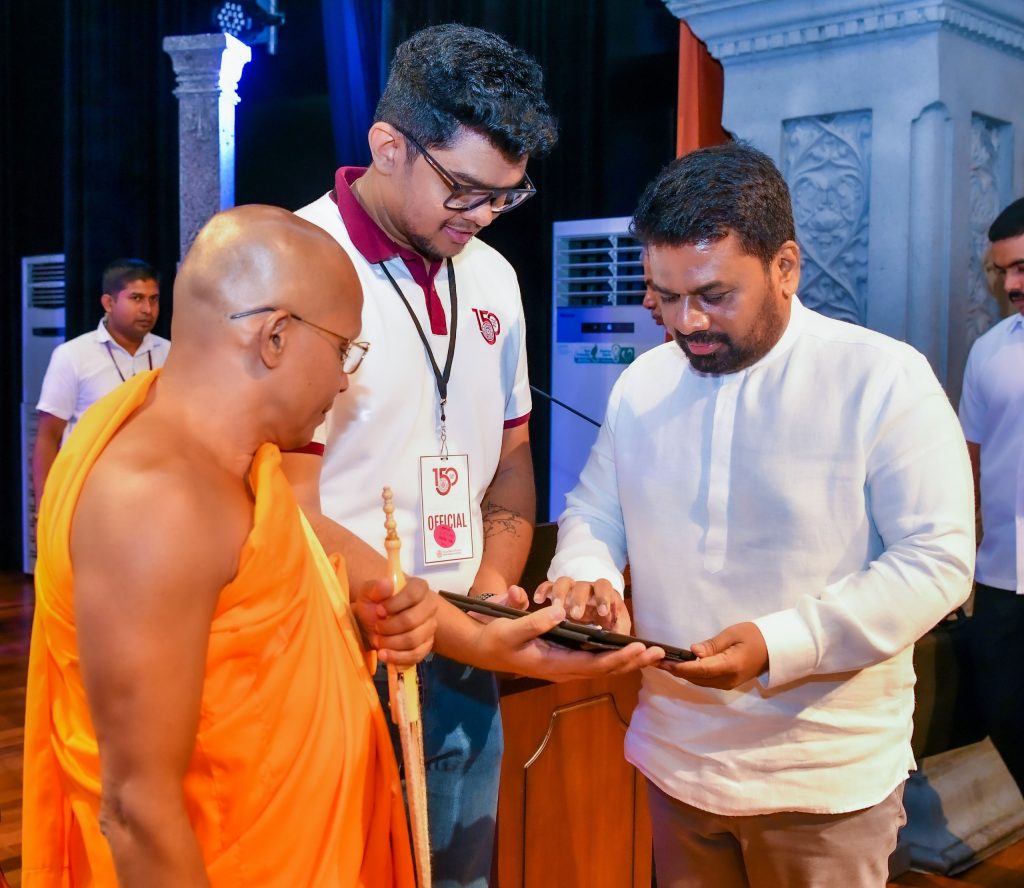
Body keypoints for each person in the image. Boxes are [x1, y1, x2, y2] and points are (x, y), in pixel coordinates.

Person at [541, 143, 976, 887]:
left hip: (823, 774)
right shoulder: (643, 383)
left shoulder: (881, 376)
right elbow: (595, 507)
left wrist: (781, 643)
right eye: (665, 296)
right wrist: (586, 570)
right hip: (675, 755)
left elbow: (936, 561)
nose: (686, 322)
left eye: (713, 294)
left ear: (786, 267)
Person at [22, 207, 426, 886]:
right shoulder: (158, 501)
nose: (343, 380)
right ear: (275, 336)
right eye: (343, 351)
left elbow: (235, 635)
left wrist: (343, 616)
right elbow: (139, 811)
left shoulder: (233, 462)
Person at [286, 23, 571, 886]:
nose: (482, 217)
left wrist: (489, 596)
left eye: (505, 197)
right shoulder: (297, 263)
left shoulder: (493, 278)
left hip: (463, 654)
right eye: (465, 190)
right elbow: (283, 504)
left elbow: (510, 461)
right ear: (389, 147)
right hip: (331, 647)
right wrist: (461, 632)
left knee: (458, 873)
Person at [958, 195, 1024, 793]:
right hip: (1004, 578)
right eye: (1002, 271)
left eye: (1022, 268)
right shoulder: (992, 350)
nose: (1012, 285)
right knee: (1005, 715)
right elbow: (968, 466)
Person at [32, 258, 169, 498]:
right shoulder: (73, 355)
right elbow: (48, 437)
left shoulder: (171, 353)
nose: (148, 309)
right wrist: (45, 508)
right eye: (136, 298)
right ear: (108, 303)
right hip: (89, 495)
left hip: (155, 493)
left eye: (153, 299)